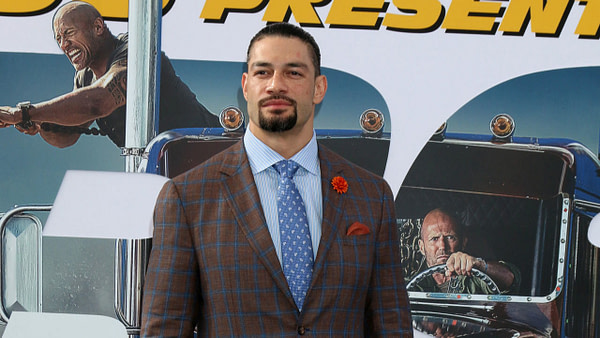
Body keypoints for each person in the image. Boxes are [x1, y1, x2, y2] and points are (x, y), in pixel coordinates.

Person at [141, 23, 413, 336]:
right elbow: (165, 330)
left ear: (319, 88)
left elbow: (392, 326)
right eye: (262, 72)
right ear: (245, 86)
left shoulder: (371, 196)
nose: (275, 85)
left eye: (293, 73)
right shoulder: (186, 197)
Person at [0, 1, 219, 148]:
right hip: (168, 170)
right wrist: (39, 122)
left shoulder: (137, 52)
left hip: (212, 155)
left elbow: (97, 103)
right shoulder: (85, 77)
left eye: (69, 33)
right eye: (59, 39)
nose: (64, 45)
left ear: (97, 27)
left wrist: (23, 113)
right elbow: (68, 136)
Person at [410, 208, 520, 294]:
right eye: (434, 239)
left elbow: (509, 279)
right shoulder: (411, 285)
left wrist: (480, 265)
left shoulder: (475, 277)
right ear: (422, 247)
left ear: (463, 242)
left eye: (450, 237)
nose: (442, 246)